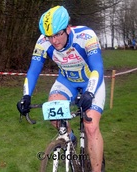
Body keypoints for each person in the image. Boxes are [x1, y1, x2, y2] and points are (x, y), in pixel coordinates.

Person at [17, 5, 105, 172]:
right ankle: (69, 140)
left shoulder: (86, 36)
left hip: (91, 81)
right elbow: (33, 70)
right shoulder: (43, 42)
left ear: (68, 29)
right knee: (54, 113)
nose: (54, 41)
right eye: (49, 36)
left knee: (91, 127)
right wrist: (26, 96)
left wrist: (90, 92)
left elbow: (97, 68)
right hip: (66, 82)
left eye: (58, 34)